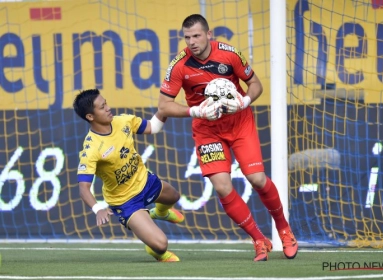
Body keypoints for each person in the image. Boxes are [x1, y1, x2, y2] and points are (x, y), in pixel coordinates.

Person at [158, 14, 298, 261]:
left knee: (256, 179)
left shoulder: (229, 54)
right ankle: (258, 240)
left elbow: (255, 84)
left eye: (197, 36)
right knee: (222, 187)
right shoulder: (179, 65)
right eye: (187, 37)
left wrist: (244, 101)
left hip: (239, 121)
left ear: (209, 34)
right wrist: (196, 110)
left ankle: (284, 230)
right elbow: (164, 106)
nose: (192, 42)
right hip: (207, 127)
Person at [73, 89, 184, 262]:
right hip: (125, 201)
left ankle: (160, 213)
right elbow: (83, 188)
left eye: (106, 103)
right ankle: (155, 251)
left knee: (173, 196)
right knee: (161, 244)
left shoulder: (123, 121)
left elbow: (153, 127)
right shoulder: (91, 149)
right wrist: (98, 209)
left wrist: (164, 110)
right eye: (102, 107)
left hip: (145, 181)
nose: (108, 108)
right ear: (90, 116)